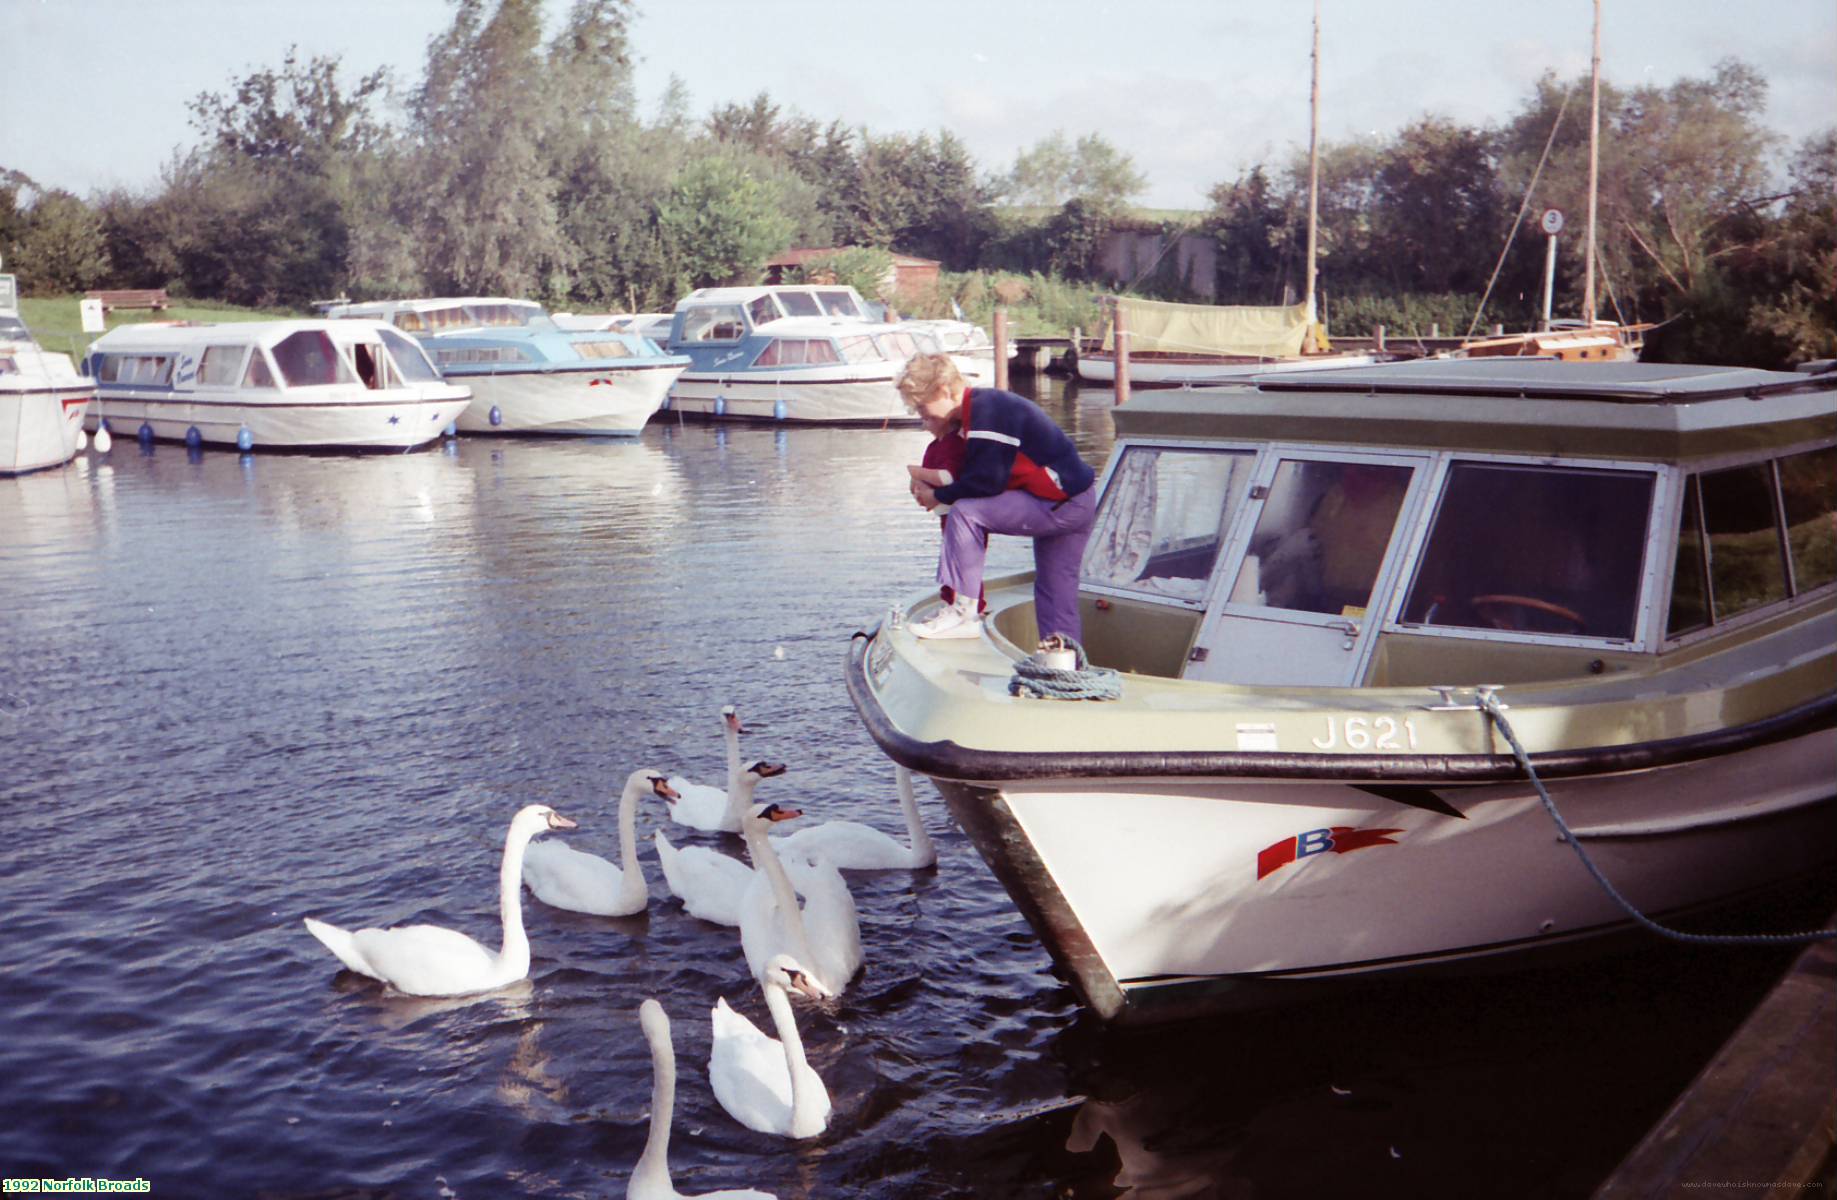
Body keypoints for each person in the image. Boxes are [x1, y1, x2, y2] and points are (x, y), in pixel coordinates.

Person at [897, 353, 1097, 641]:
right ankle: (1065, 667)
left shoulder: (986, 411)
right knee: (1055, 593)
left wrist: (937, 495)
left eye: (922, 406)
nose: (921, 415)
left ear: (944, 390)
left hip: (1060, 504)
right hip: (1078, 499)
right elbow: (982, 475)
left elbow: (986, 482)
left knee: (966, 511)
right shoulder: (985, 408)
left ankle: (964, 612)